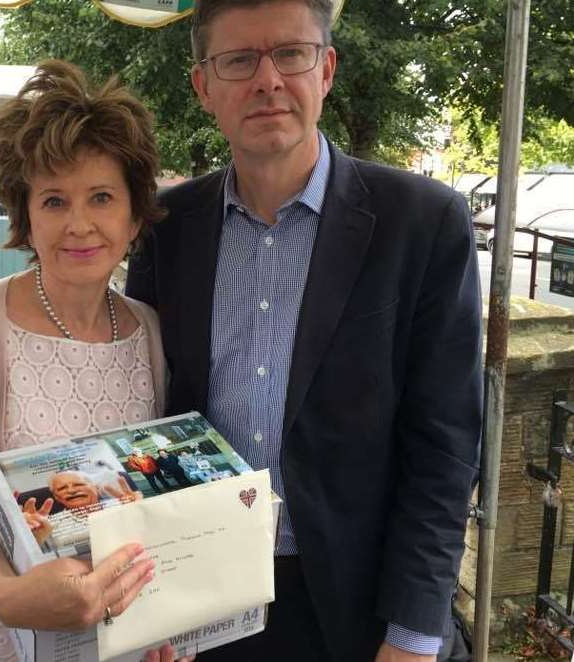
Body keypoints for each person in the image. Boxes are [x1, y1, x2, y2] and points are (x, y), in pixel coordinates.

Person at [125, 2, 483, 661]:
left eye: (291, 53)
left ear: (327, 70)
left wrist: (410, 635)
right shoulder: (165, 230)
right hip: (208, 610)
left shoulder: (423, 223)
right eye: (238, 60)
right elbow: (151, 417)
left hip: (363, 615)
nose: (268, 80)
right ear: (204, 87)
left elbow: (445, 450)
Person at [0, 61, 186, 662]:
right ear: (25, 216)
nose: (79, 224)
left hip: (105, 638)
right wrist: (9, 595)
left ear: (134, 217)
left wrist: (166, 615)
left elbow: (143, 500)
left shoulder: (150, 332)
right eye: (54, 200)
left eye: (102, 197)